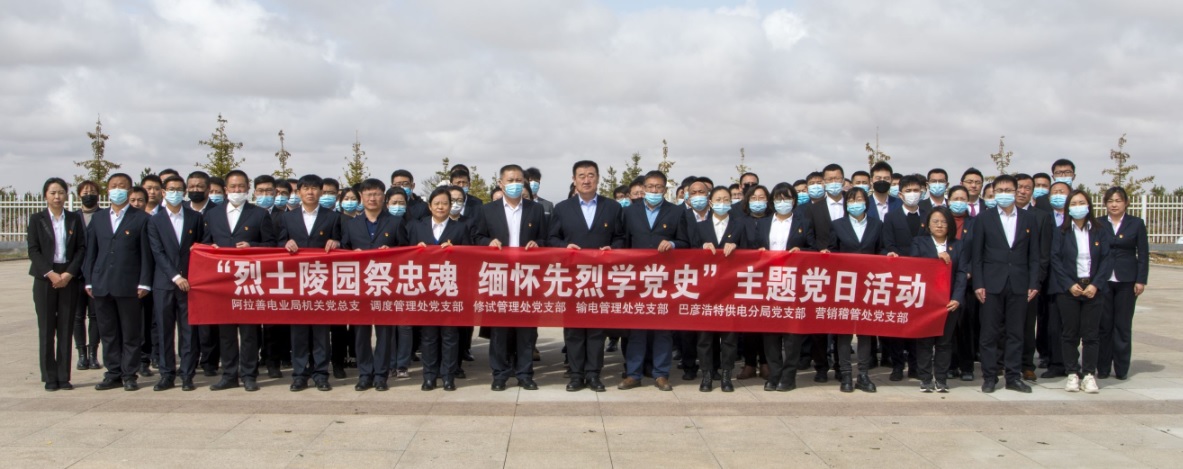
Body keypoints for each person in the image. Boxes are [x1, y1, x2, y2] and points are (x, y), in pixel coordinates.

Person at [547, 160, 625, 392]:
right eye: (581, 176)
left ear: (598, 178)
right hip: (572, 277)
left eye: (591, 175)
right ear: (574, 180)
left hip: (601, 277)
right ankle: (576, 374)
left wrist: (613, 248)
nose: (586, 180)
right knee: (573, 329)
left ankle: (593, 374)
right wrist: (565, 247)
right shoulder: (562, 208)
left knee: (596, 330)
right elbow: (551, 239)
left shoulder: (612, 207)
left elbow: (621, 238)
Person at [474, 165, 548, 391]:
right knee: (500, 330)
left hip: (527, 277)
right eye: (510, 180)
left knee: (526, 329)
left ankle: (525, 374)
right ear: (500, 183)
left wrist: (538, 244)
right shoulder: (487, 210)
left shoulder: (535, 209)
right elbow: (476, 237)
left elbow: (546, 239)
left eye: (519, 180)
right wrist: (488, 242)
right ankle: (500, 374)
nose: (515, 184)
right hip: (499, 277)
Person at [201, 169, 276, 392]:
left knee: (249, 331)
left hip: (248, 280)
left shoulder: (259, 214)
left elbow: (271, 245)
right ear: (226, 189)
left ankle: (249, 375)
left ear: (248, 189)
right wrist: (211, 248)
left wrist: (253, 246)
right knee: (226, 332)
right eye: (233, 187)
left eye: (241, 186)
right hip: (222, 281)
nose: (237, 190)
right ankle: (229, 375)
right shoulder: (212, 215)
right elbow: (204, 243)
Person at [619, 171, 689, 392]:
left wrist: (673, 244)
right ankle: (633, 374)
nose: (654, 191)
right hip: (637, 279)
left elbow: (686, 242)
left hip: (664, 279)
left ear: (665, 189)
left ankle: (661, 374)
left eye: (658, 187)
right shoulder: (629, 212)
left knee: (662, 329)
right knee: (636, 329)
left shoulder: (676, 212)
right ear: (644, 187)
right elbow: (623, 242)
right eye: (650, 186)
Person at [83, 173, 153, 391]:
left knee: (131, 332)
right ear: (107, 190)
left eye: (122, 186)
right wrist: (89, 280)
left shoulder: (141, 218)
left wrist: (144, 282)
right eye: (113, 186)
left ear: (130, 191)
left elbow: (146, 254)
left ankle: (129, 374)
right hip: (102, 284)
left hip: (129, 285)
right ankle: (113, 372)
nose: (117, 189)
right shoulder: (99, 218)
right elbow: (91, 252)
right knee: (108, 332)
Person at [971, 174, 1040, 394]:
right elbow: (976, 255)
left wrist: (1034, 282)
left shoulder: (1029, 219)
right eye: (999, 190)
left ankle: (1013, 377)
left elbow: (1035, 255)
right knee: (989, 334)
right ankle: (990, 377)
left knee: (1016, 333)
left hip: (1019, 283)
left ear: (1016, 191)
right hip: (991, 284)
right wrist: (978, 283)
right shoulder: (984, 218)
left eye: (1008, 190)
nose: (1004, 194)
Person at [342, 178, 408, 392]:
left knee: (384, 334)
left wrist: (392, 252)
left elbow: (407, 252)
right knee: (361, 333)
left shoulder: (395, 222)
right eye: (368, 194)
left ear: (383, 197)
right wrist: (352, 254)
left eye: (377, 194)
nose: (372, 198)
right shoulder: (351, 223)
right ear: (361, 197)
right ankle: (364, 374)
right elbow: (343, 251)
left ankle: (381, 375)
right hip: (360, 286)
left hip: (385, 285)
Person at [278, 174, 342, 392]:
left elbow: (342, 241)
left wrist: (336, 242)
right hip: (296, 281)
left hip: (321, 281)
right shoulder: (287, 218)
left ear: (321, 192)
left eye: (315, 188)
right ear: (299, 192)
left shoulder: (332, 217)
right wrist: (285, 243)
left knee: (321, 331)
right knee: (299, 331)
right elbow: (278, 242)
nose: (310, 192)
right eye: (305, 188)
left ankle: (321, 374)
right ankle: (299, 374)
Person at [409, 187, 472, 391]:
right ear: (429, 206)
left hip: (450, 288)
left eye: (445, 203)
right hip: (426, 289)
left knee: (450, 335)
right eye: (436, 203)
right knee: (428, 335)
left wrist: (456, 251)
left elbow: (470, 257)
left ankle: (448, 376)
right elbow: (405, 255)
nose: (440, 207)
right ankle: (429, 376)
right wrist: (416, 250)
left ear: (450, 206)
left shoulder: (460, 228)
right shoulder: (417, 227)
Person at [1050, 190, 1113, 393]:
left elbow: (1107, 259)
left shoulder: (1100, 230)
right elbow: (1055, 259)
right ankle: (1072, 373)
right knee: (1069, 333)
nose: (1078, 207)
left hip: (1093, 288)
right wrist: (1069, 284)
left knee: (1091, 335)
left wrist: (1096, 284)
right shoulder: (1061, 232)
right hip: (1069, 289)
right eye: (1074, 203)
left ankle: (1088, 374)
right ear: (1068, 208)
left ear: (1089, 206)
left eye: (1081, 202)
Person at [146, 175, 204, 391]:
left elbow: (200, 246)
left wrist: (188, 275)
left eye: (180, 189)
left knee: (189, 331)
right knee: (164, 331)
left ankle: (187, 375)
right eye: (171, 189)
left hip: (191, 283)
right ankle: (166, 374)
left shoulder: (194, 217)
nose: (175, 193)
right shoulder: (155, 220)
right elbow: (157, 252)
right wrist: (175, 276)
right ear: (163, 192)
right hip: (165, 283)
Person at [754, 184, 814, 392]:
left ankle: (789, 376)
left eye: (786, 198)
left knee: (791, 334)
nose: (782, 202)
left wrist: (802, 251)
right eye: (778, 198)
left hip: (793, 283)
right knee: (770, 333)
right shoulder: (763, 223)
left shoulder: (803, 223)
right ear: (772, 202)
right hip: (768, 283)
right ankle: (774, 374)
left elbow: (813, 249)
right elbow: (752, 248)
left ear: (794, 201)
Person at [823, 188, 883, 393]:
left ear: (866, 202)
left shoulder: (877, 224)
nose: (855, 203)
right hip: (845, 284)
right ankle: (846, 374)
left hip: (869, 284)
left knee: (866, 331)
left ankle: (863, 374)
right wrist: (827, 254)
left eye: (859, 199)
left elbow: (881, 250)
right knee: (844, 331)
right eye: (851, 200)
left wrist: (889, 255)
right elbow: (833, 250)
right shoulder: (837, 224)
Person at [29, 178, 86, 391]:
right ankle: (49, 376)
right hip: (45, 277)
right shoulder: (37, 219)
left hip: (68, 276)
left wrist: (69, 273)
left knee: (65, 327)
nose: (57, 197)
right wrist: (50, 273)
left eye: (61, 192)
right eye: (53, 192)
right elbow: (33, 249)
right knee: (46, 328)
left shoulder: (74, 219)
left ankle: (63, 376)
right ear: (45, 195)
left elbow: (81, 248)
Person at [909, 207, 967, 392]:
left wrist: (957, 298)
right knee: (924, 342)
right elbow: (914, 266)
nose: (940, 225)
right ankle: (925, 379)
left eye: (943, 222)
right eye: (935, 221)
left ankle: (941, 379)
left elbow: (962, 273)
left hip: (949, 303)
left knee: (944, 342)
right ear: (928, 225)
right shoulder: (919, 242)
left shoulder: (958, 245)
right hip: (926, 301)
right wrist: (936, 258)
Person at [1097, 186, 1149, 380]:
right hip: (1103, 280)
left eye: (1118, 201)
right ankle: (1102, 367)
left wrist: (1141, 280)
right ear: (1105, 203)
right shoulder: (1098, 223)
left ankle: (1121, 368)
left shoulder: (1136, 223)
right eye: (1110, 201)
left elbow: (1143, 253)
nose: (1114, 205)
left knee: (1123, 325)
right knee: (1104, 325)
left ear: (1126, 203)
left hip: (1127, 280)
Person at [881, 174, 929, 381]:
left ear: (922, 192)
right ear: (900, 194)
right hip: (898, 277)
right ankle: (897, 365)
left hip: (922, 277)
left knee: (918, 323)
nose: (912, 194)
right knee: (897, 323)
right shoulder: (891, 217)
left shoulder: (928, 215)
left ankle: (916, 366)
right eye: (908, 191)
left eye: (916, 190)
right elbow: (888, 244)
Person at [736, 184, 772, 379]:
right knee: (749, 322)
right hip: (747, 277)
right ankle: (749, 363)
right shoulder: (740, 221)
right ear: (747, 201)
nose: (758, 201)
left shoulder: (774, 220)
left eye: (762, 197)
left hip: (770, 277)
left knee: (766, 322)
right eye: (754, 198)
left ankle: (765, 362)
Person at [945, 185, 979, 381]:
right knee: (949, 326)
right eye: (955, 198)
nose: (959, 202)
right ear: (948, 200)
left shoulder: (975, 223)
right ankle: (951, 364)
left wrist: (970, 271)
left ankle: (967, 367)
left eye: (963, 199)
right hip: (945, 280)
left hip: (967, 282)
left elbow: (980, 250)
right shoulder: (941, 221)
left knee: (966, 325)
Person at [72, 180, 102, 371]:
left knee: (95, 315)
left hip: (97, 273)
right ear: (79, 195)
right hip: (76, 274)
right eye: (85, 192)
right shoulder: (73, 217)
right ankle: (81, 354)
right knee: (77, 316)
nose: (88, 194)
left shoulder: (104, 216)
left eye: (92, 191)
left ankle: (93, 354)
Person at [384, 188, 414, 379]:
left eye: (401, 203)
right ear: (386, 203)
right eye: (394, 203)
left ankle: (402, 364)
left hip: (405, 278)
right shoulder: (382, 223)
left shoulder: (413, 224)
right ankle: (389, 363)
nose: (397, 206)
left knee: (404, 325)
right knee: (387, 326)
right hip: (383, 279)